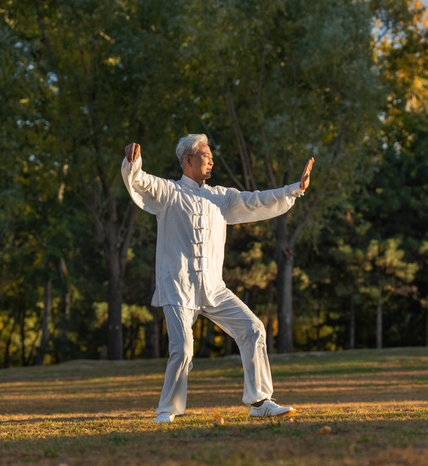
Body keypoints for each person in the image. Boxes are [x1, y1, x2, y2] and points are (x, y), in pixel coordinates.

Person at [121, 134, 314, 423]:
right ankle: (168, 410)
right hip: (178, 288)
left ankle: (259, 401)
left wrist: (293, 189)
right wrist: (132, 162)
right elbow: (140, 181)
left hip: (214, 289)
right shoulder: (169, 193)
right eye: (205, 155)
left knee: (253, 329)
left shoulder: (221, 197)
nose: (211, 160)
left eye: (211, 156)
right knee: (183, 350)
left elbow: (255, 200)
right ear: (188, 160)